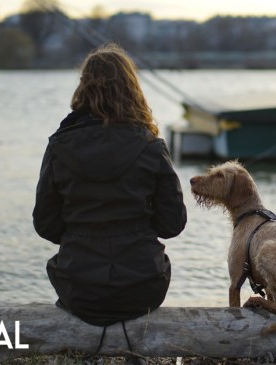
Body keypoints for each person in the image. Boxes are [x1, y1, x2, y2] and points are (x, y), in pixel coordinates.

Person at [33, 43, 187, 327]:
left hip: (79, 289)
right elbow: (172, 224)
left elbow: (45, 224)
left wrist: (82, 235)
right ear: (132, 88)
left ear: (83, 88)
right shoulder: (151, 147)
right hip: (143, 287)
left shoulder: (59, 146)